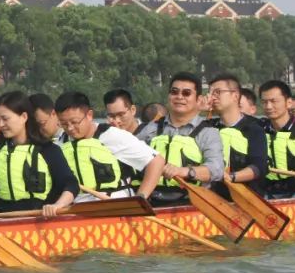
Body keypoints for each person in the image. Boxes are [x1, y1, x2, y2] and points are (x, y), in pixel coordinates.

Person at [55, 91, 165, 202]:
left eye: (75, 122)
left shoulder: (113, 136)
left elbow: (156, 162)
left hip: (115, 208)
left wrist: (140, 198)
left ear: (89, 115)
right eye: (64, 124)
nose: (70, 128)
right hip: (77, 209)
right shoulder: (61, 143)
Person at [135, 73, 224, 205]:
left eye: (186, 93)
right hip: (150, 200)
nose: (179, 97)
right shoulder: (150, 129)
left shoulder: (208, 133)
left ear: (199, 100)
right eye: (174, 92)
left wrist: (182, 171)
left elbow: (216, 169)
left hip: (190, 204)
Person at [0, 91, 77, 216]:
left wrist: (57, 205)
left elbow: (70, 184)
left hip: (41, 218)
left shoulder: (48, 150)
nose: (1, 125)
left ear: (24, 117)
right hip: (3, 219)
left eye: (5, 119)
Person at [205, 73, 268, 198]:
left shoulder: (254, 129)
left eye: (217, 92)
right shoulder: (206, 127)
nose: (212, 97)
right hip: (212, 196)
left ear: (235, 96)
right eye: (210, 93)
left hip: (246, 197)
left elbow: (258, 167)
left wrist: (231, 177)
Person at [261, 80, 295, 199]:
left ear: (289, 102)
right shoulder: (259, 130)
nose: (268, 106)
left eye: (274, 101)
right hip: (269, 191)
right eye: (264, 102)